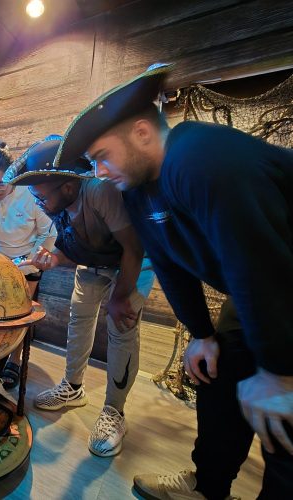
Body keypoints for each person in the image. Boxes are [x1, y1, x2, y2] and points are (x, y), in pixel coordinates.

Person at [55, 64, 293, 499]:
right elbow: (168, 261)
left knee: (285, 415)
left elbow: (257, 259)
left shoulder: (199, 157)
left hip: (279, 276)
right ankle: (207, 488)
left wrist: (278, 372)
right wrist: (202, 334)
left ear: (143, 133)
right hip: (264, 286)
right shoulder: (138, 190)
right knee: (217, 372)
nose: (99, 172)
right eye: (93, 163)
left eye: (103, 156)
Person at [4, 135, 155, 457]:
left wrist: (121, 297)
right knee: (79, 318)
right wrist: (53, 258)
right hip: (95, 265)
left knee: (121, 330)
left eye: (41, 196)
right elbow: (73, 245)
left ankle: (114, 411)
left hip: (132, 263)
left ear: (69, 187)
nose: (38, 203)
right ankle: (73, 388)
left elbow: (133, 246)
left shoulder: (99, 191)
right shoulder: (59, 204)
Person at [0, 141, 57, 389]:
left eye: (0, 183)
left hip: (28, 259)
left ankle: (14, 360)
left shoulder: (29, 194)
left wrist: (30, 259)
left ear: (12, 176)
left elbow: (49, 232)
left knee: (20, 313)